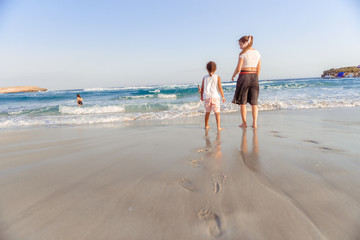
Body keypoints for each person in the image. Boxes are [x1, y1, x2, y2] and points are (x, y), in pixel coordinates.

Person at [231, 35, 261, 128]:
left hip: (244, 75)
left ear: (245, 43)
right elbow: (259, 67)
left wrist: (233, 75)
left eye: (240, 44)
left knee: (243, 102)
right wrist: (256, 78)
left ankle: (244, 123)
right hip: (254, 77)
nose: (239, 47)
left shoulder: (242, 54)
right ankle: (255, 123)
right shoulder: (257, 53)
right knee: (254, 102)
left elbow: (239, 68)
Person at [201, 61, 225, 131]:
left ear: (207, 69)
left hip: (207, 97)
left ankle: (206, 125)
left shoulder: (204, 77)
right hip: (215, 97)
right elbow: (220, 88)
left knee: (207, 112)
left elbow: (202, 88)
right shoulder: (217, 77)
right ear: (215, 69)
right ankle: (218, 127)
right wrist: (223, 96)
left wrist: (201, 96)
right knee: (217, 112)